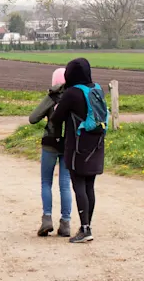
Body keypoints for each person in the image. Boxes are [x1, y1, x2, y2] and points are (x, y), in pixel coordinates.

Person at [49, 58, 106, 243]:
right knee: (90, 186)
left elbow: (56, 119)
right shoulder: (97, 89)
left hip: (77, 146)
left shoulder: (72, 93)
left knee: (79, 185)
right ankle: (87, 225)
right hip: (96, 144)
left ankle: (85, 229)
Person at [28, 67, 72, 238]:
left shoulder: (51, 98)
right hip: (67, 145)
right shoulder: (73, 97)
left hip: (50, 144)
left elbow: (33, 118)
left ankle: (47, 219)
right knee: (65, 184)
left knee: (46, 182)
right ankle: (66, 223)